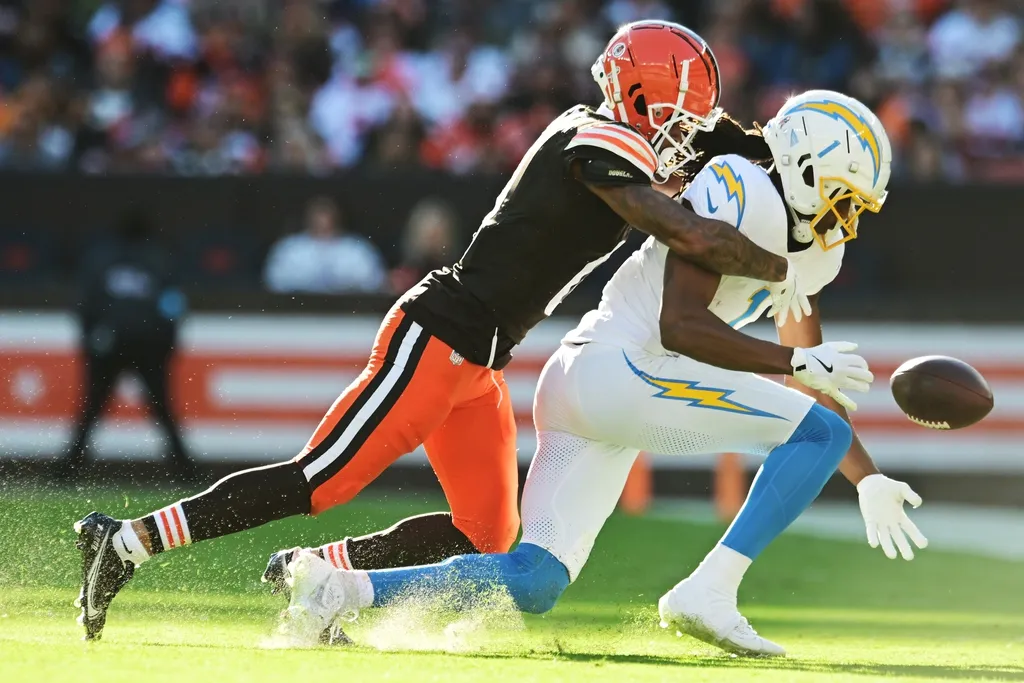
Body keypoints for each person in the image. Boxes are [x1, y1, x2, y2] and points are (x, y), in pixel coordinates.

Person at [73, 21, 807, 642]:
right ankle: (127, 539)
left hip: (479, 360)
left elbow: (714, 141)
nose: (685, 132)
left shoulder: (613, 134)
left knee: (486, 536)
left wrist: (778, 154)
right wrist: (780, 263)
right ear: (641, 96)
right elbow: (683, 229)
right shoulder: (596, 138)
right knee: (323, 478)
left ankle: (316, 573)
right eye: (677, 113)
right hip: (437, 335)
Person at [277, 90, 928, 657]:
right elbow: (683, 325)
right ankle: (710, 590)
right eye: (845, 198)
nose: (850, 218)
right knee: (815, 433)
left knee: (533, 581)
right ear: (804, 169)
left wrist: (866, 476)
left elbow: (814, 380)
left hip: (591, 383)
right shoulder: (742, 188)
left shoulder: (817, 252)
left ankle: (337, 588)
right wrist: (793, 365)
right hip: (628, 369)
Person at [60, 207, 193, 480]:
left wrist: (91, 341)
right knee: (163, 410)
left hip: (109, 344)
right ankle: (186, 471)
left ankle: (68, 470)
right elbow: (174, 307)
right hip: (149, 346)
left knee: (91, 409)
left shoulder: (101, 259)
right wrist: (167, 345)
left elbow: (85, 305)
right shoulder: (160, 259)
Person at [263, 196, 388, 294]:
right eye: (318, 215)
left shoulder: (356, 249)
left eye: (326, 215)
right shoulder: (290, 248)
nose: (322, 222)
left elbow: (374, 281)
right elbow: (275, 280)